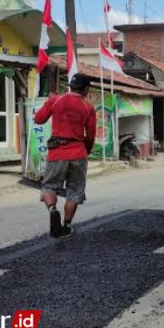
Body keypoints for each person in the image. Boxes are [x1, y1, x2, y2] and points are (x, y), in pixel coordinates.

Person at [34, 73, 97, 238]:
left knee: (49, 186)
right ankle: (67, 226)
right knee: (74, 191)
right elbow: (90, 136)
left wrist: (50, 101)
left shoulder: (56, 100)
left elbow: (38, 119)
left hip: (57, 153)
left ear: (70, 86)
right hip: (78, 153)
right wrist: (86, 151)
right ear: (86, 89)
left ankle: (52, 210)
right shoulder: (88, 107)